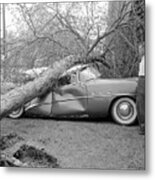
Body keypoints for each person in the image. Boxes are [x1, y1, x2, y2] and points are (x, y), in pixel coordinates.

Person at [136, 43, 145, 135]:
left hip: (143, 80)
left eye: (140, 49)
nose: (139, 51)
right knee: (139, 104)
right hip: (141, 79)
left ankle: (143, 127)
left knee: (141, 104)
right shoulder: (142, 59)